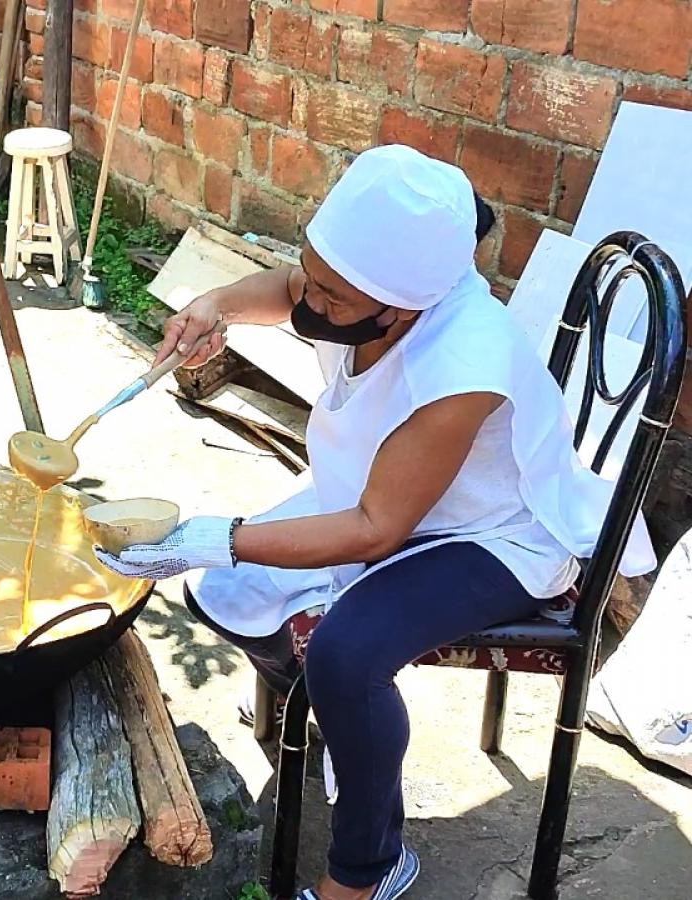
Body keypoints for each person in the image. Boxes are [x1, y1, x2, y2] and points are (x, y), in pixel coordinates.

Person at [93, 145, 655, 900]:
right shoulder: (363, 286)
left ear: (404, 305)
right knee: (229, 594)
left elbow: (373, 529)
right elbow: (293, 287)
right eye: (312, 273)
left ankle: (368, 866)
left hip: (492, 535)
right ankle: (346, 724)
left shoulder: (464, 360)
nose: (308, 302)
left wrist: (210, 538)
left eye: (332, 298)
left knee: (345, 655)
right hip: (386, 496)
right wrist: (216, 305)